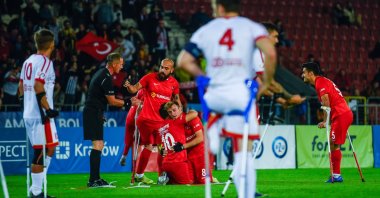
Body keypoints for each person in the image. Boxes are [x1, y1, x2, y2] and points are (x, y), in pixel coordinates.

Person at [177, 0, 276, 197]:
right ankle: (245, 193)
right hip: (240, 95)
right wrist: (266, 83)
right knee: (243, 151)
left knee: (214, 113)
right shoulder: (251, 27)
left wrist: (203, 77)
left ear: (220, 7)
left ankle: (214, 129)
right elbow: (271, 53)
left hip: (215, 94)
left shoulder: (208, 29)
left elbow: (183, 61)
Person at [124, 58, 181, 184]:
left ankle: (139, 174)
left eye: (166, 68)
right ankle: (161, 177)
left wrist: (179, 113)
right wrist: (128, 86)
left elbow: (177, 101)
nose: (162, 70)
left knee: (151, 147)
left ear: (172, 70)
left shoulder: (174, 84)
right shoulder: (149, 77)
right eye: (161, 67)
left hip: (159, 121)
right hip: (146, 120)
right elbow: (134, 90)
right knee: (161, 147)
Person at [18, 29, 59, 198]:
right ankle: (36, 192)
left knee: (50, 147)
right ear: (51, 44)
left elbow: (21, 87)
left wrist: (26, 104)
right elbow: (38, 85)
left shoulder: (28, 61)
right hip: (40, 114)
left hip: (29, 112)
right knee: (41, 152)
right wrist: (47, 109)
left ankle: (37, 188)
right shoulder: (45, 62)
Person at [301, 62, 353, 183]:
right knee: (333, 143)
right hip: (342, 113)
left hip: (341, 114)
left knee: (333, 143)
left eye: (304, 72)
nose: (302, 75)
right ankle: (336, 175)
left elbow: (326, 103)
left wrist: (325, 121)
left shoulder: (320, 83)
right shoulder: (322, 81)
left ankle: (336, 175)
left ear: (311, 73)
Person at [83, 52, 126, 188]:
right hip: (92, 112)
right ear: (114, 64)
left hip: (95, 112)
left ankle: (95, 179)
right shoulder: (106, 77)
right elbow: (112, 101)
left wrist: (100, 111)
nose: (122, 66)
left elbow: (95, 95)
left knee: (99, 144)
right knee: (97, 145)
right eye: (121, 64)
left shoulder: (101, 73)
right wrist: (129, 102)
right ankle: (93, 180)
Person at [253, 22, 305, 108]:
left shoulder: (256, 50)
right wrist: (290, 97)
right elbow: (269, 83)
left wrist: (282, 101)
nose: (277, 41)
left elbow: (260, 84)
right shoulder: (257, 52)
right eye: (275, 37)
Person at [159, 101, 197, 184]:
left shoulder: (161, 126)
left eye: (174, 110)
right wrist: (181, 111)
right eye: (170, 111)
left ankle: (166, 177)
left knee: (174, 186)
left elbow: (160, 146)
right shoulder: (177, 121)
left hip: (165, 163)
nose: (173, 113)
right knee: (188, 186)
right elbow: (195, 114)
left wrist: (161, 150)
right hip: (178, 162)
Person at [120, 89, 144, 166]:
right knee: (141, 141)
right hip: (135, 118)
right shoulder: (144, 93)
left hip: (130, 117)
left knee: (129, 140)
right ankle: (137, 168)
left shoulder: (140, 92)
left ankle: (124, 156)